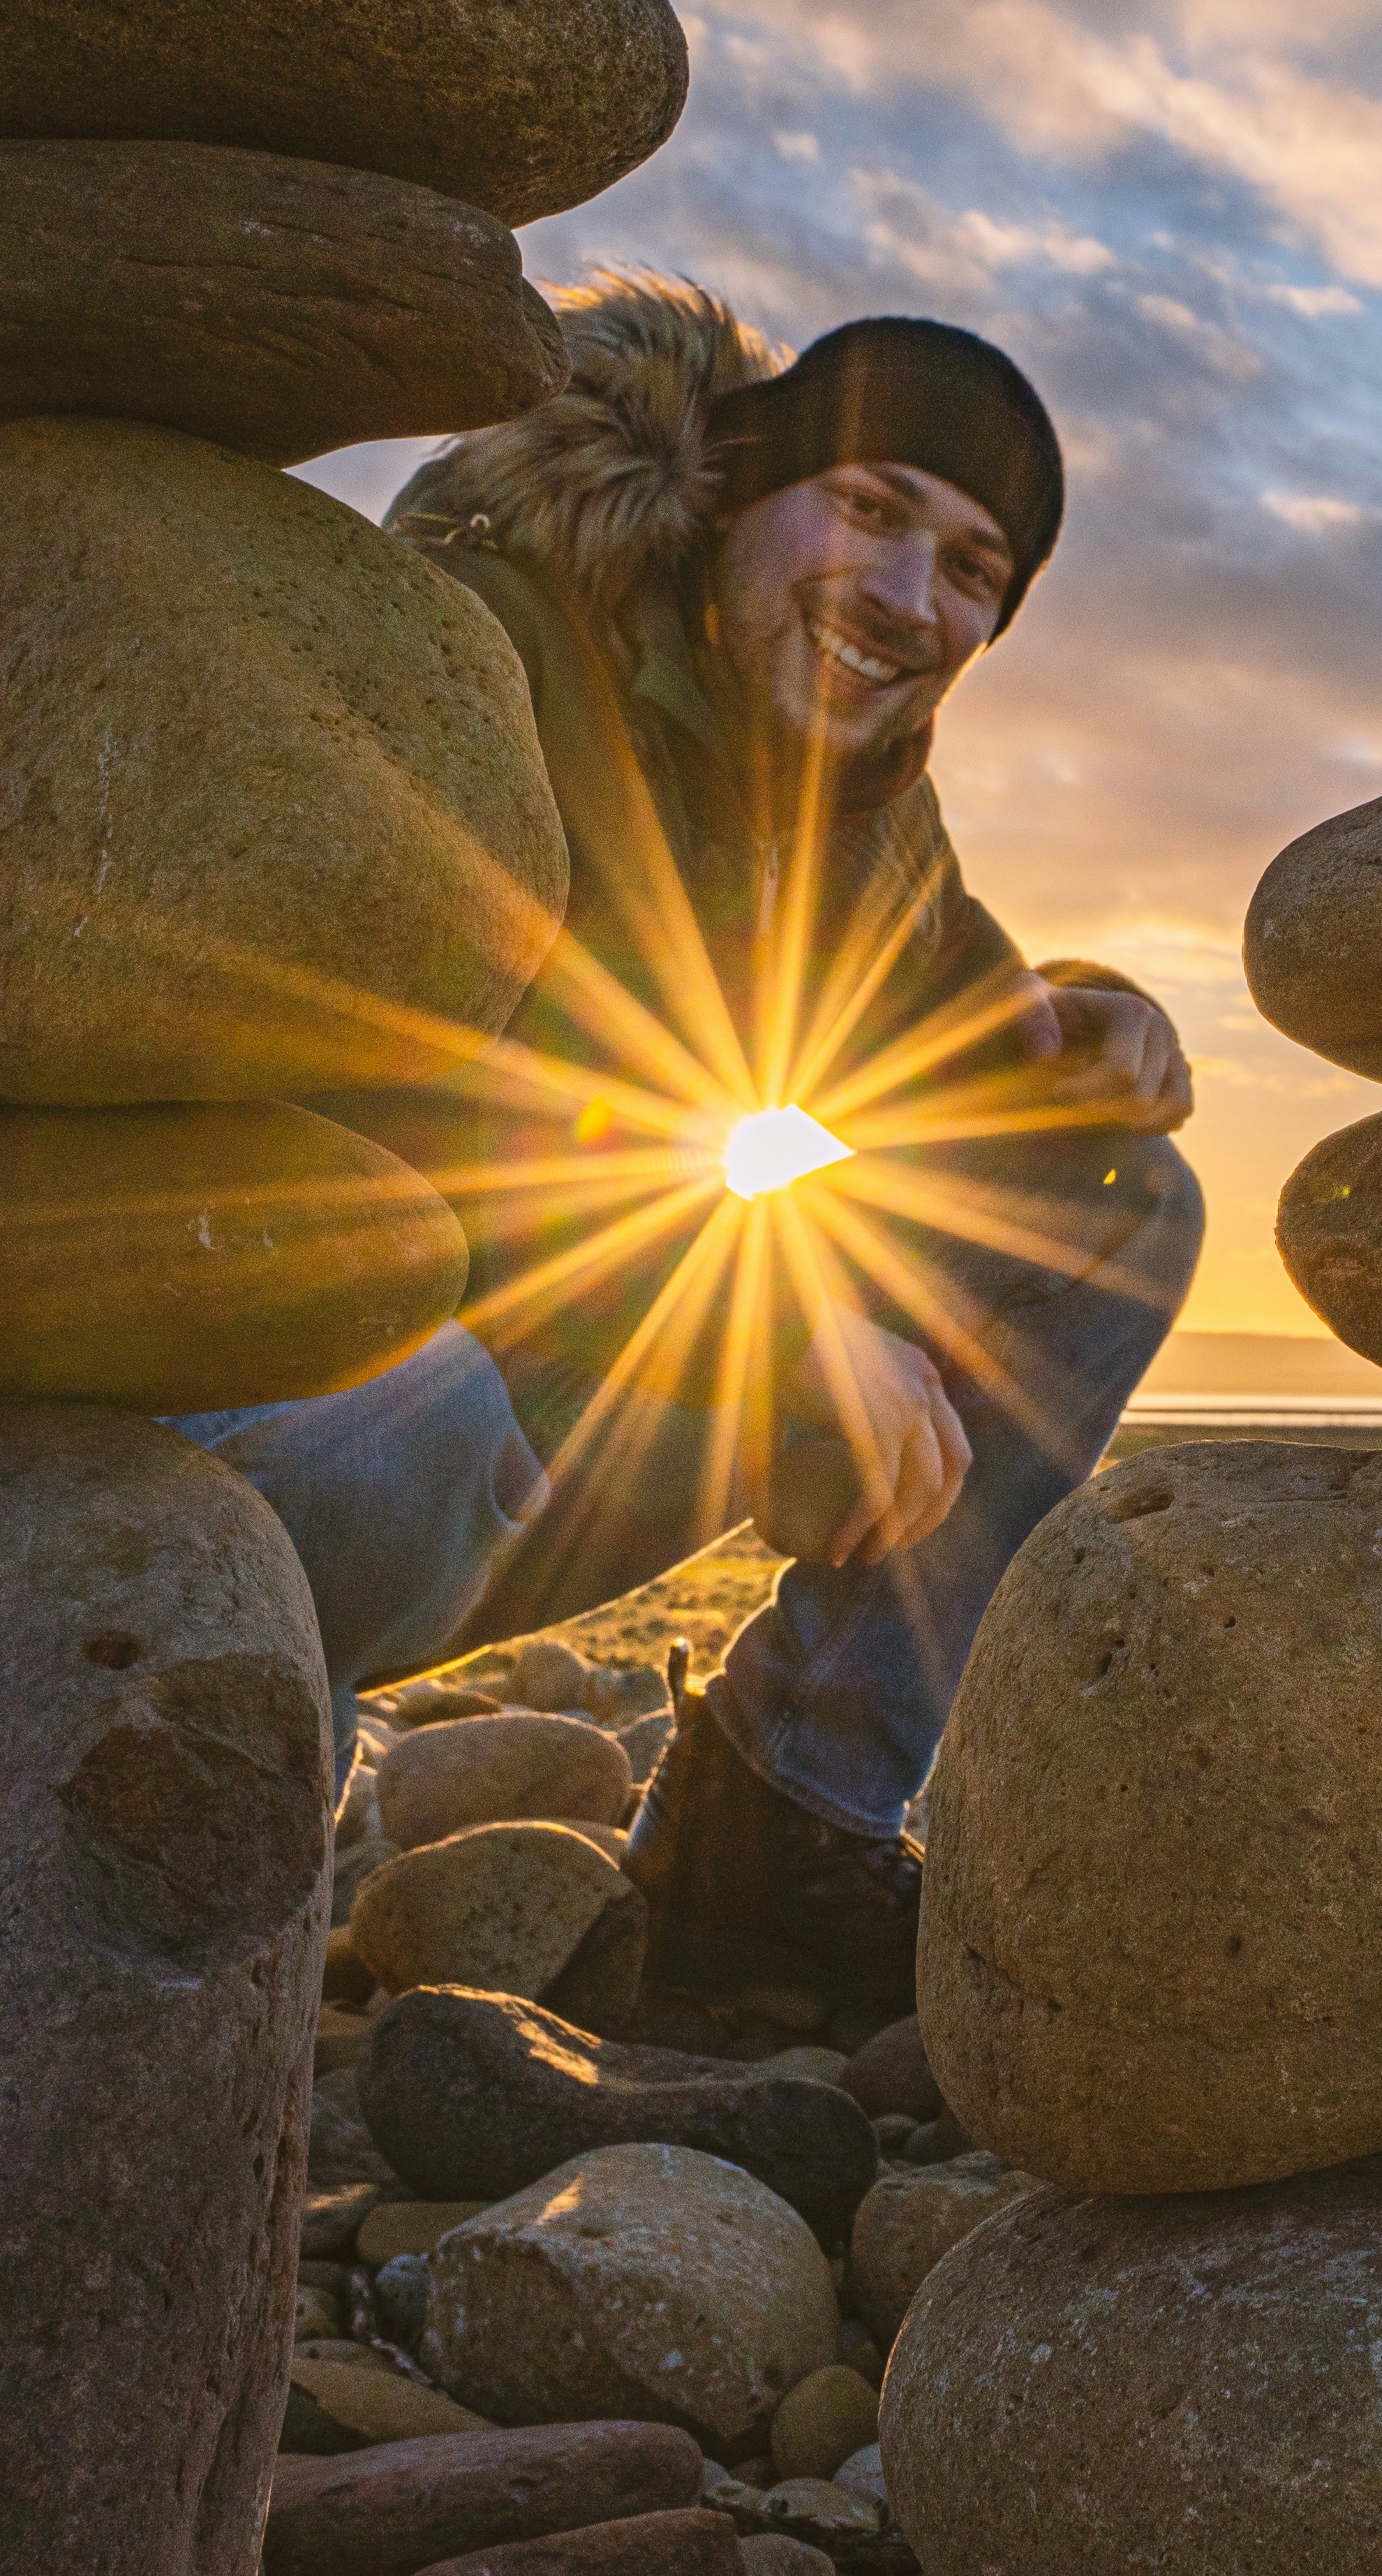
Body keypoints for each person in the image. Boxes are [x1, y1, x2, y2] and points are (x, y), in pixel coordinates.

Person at [163, 272, 1199, 2013]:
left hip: (536, 1410)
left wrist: (1093, 1022)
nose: (907, 596)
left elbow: (969, 1040)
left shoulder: (862, 801)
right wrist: (782, 1308)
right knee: (391, 1455)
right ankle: (157, 1823)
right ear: (740, 484)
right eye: (874, 511)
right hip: (276, 1381)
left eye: (972, 570)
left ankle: (780, 1820)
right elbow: (431, 1078)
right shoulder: (486, 634)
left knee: (1119, 1202)